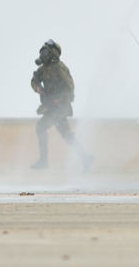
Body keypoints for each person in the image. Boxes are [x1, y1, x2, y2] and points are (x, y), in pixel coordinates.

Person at [30, 40, 93, 173]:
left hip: (60, 107)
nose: (43, 55)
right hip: (51, 107)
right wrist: (37, 88)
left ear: (53, 54)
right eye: (42, 52)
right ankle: (85, 157)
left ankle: (44, 161)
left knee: (47, 129)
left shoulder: (60, 67)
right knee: (65, 134)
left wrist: (60, 99)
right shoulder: (42, 69)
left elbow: (70, 87)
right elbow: (34, 79)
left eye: (46, 52)